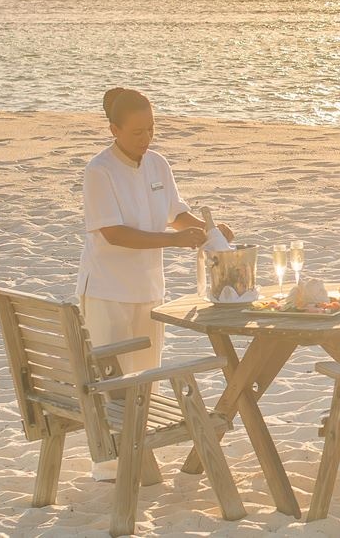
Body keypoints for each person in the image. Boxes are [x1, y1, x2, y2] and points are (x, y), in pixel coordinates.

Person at [78, 87, 234, 482]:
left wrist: (209, 231)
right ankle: (110, 466)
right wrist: (173, 241)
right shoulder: (99, 171)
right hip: (108, 290)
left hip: (149, 289)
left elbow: (176, 214)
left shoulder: (158, 164)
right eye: (136, 132)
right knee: (113, 382)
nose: (146, 138)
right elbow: (113, 233)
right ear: (114, 130)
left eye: (151, 129)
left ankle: (140, 454)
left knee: (146, 377)